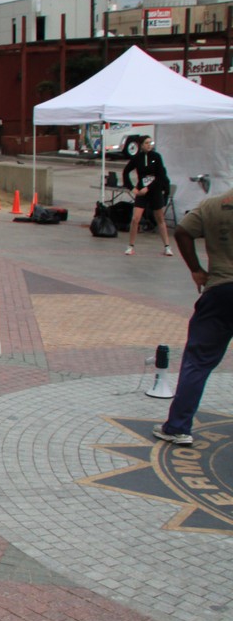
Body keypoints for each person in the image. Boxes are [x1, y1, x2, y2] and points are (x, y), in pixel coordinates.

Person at [153, 188, 233, 446]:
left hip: (221, 291)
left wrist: (196, 270)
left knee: (197, 361)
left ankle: (178, 427)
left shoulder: (213, 206)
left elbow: (183, 231)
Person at [122, 136, 173, 256]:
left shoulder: (156, 157)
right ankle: (130, 246)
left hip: (155, 191)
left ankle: (167, 246)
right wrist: (132, 188)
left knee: (160, 218)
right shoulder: (137, 158)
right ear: (141, 145)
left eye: (150, 143)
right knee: (135, 218)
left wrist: (149, 188)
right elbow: (126, 172)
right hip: (141, 192)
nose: (149, 145)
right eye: (146, 143)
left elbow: (161, 176)